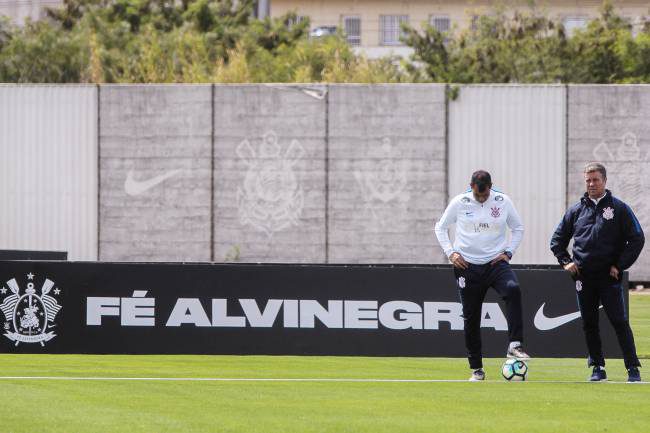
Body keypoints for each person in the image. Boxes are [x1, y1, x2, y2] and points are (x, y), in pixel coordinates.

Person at [550, 162, 644, 382]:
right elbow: (557, 241)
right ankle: (597, 368)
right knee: (589, 324)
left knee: (619, 322)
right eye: (588, 180)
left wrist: (619, 265)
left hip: (609, 277)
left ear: (605, 181)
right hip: (583, 277)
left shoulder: (619, 208)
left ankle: (633, 368)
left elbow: (637, 238)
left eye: (595, 180)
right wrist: (566, 261)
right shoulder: (576, 210)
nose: (591, 184)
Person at [435, 170, 529, 382]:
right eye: (478, 195)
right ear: (471, 187)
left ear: (490, 187)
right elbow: (440, 228)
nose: (482, 198)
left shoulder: (502, 201)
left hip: (495, 263)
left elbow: (518, 228)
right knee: (471, 317)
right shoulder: (460, 202)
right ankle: (477, 368)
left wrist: (508, 252)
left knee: (513, 289)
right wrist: (451, 253)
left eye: (485, 194)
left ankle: (515, 345)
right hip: (467, 265)